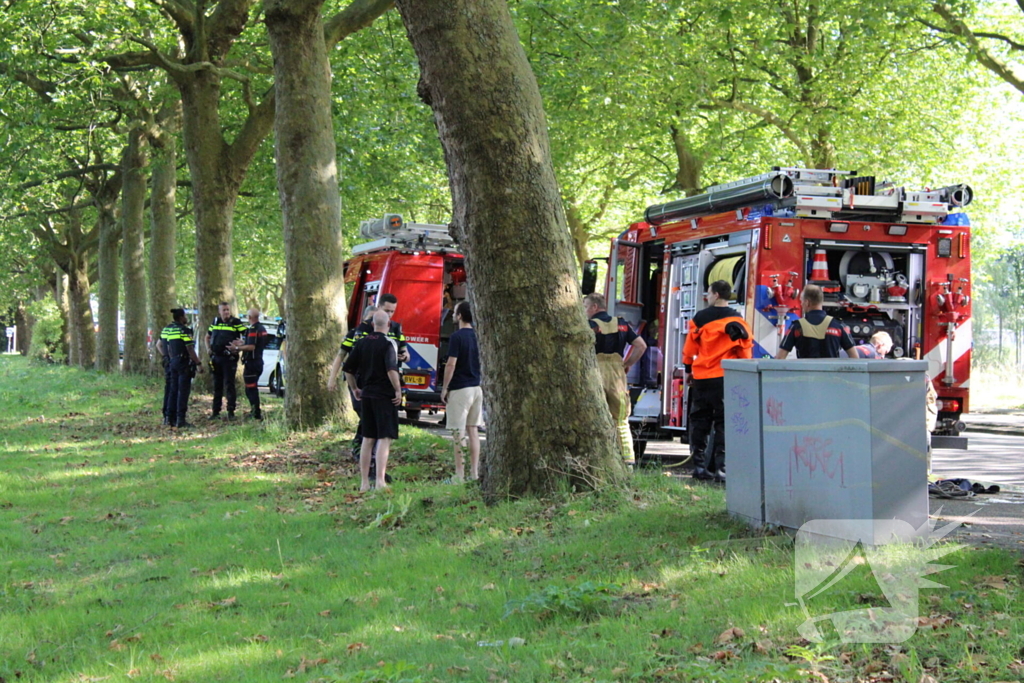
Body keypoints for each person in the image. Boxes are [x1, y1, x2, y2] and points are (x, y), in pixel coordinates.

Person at [682, 280, 753, 482]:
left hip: (702, 378)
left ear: (716, 295)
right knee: (724, 423)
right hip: (725, 378)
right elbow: (745, 352)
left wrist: (688, 369)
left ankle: (699, 468)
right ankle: (722, 470)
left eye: (709, 293)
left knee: (700, 422)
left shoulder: (700, 319)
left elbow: (689, 349)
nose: (707, 296)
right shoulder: (738, 320)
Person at [583, 293, 647, 465]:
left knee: (594, 418)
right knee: (620, 420)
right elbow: (641, 346)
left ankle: (599, 462)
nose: (584, 311)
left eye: (585, 307)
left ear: (594, 307)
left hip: (594, 373)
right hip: (617, 375)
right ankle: (627, 462)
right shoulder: (622, 324)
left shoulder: (589, 326)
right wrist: (627, 364)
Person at [343, 310, 403, 491]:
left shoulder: (361, 343)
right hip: (384, 396)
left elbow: (348, 369)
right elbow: (391, 369)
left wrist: (355, 388)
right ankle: (379, 481)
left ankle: (364, 483)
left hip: (367, 395)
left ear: (372, 325)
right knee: (384, 438)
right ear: (389, 324)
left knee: (368, 438)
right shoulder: (389, 343)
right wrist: (398, 389)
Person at [440, 301, 482, 482]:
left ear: (459, 316)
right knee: (473, 431)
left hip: (460, 389)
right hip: (477, 388)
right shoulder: (478, 336)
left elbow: (451, 364)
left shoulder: (457, 337)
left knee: (458, 433)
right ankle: (474, 473)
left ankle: (459, 474)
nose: (453, 315)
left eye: (455, 312)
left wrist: (445, 387)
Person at [776, 284, 857, 359]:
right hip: (831, 370)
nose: (801, 304)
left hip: (804, 370)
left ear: (807, 302)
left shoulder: (796, 327)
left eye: (801, 301)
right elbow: (855, 358)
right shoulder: (839, 326)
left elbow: (780, 358)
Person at [156, 308, 203, 428]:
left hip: (171, 363)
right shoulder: (184, 330)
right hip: (183, 363)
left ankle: (169, 418)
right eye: (185, 316)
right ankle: (180, 419)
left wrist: (166, 356)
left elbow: (158, 345)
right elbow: (190, 348)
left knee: (172, 390)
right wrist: (198, 363)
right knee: (183, 391)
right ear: (181, 317)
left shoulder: (167, 329)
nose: (186, 318)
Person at [206, 302, 247, 419]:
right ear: (219, 311)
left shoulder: (236, 322)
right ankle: (215, 412)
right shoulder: (215, 322)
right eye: (224, 310)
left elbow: (247, 335)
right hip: (216, 358)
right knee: (217, 385)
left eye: (228, 309)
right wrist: (208, 349)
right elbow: (207, 336)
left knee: (229, 385)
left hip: (229, 358)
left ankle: (231, 411)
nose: (226, 312)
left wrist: (240, 344)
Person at [231, 308, 269, 421]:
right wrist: (243, 343)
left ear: (249, 317)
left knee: (250, 389)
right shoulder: (262, 328)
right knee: (252, 387)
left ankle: (256, 412)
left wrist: (236, 348)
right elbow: (256, 343)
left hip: (252, 363)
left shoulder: (253, 329)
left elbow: (252, 347)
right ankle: (255, 411)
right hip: (258, 361)